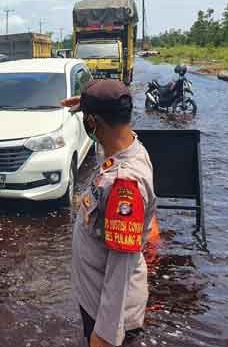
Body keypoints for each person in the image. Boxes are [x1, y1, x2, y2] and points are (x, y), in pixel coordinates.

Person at [61, 79, 158, 347]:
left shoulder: (123, 183)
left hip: (109, 316)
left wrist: (105, 335)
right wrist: (91, 107)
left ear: (93, 123)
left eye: (87, 119)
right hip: (95, 298)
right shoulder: (131, 146)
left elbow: (121, 269)